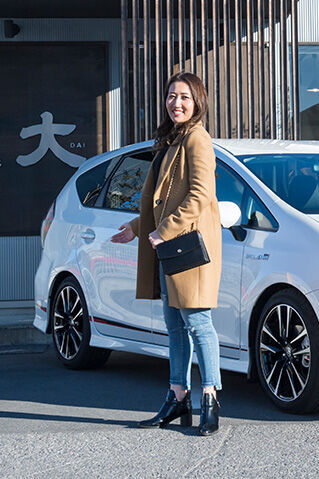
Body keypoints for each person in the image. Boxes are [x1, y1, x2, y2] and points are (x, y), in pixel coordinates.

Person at [111, 71, 223, 436]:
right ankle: (178, 396)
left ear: (198, 102)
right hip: (170, 246)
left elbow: (200, 195)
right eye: (172, 96)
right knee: (175, 326)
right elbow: (160, 198)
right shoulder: (170, 140)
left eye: (185, 97)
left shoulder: (197, 139)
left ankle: (209, 397)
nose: (177, 103)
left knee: (198, 323)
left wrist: (163, 230)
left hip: (188, 246)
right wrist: (136, 226)